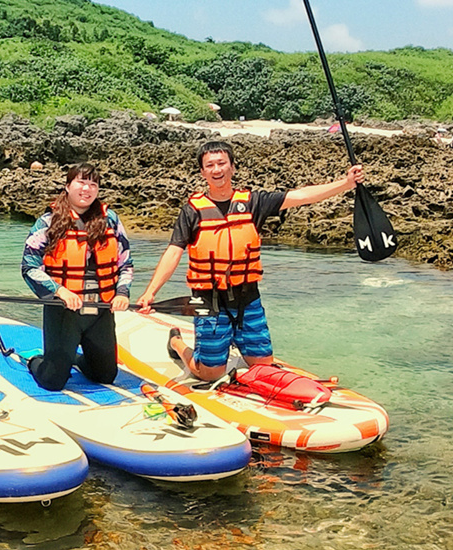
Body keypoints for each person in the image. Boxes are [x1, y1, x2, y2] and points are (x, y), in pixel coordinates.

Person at [136, 140, 365, 381]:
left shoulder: (254, 202)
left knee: (263, 368)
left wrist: (346, 183)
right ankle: (176, 342)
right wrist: (150, 292)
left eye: (222, 163)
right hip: (209, 301)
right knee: (209, 374)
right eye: (210, 165)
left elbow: (301, 196)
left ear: (232, 167)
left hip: (248, 299)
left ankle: (234, 343)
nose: (217, 170)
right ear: (203, 172)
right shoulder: (192, 211)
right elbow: (174, 251)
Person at [21, 163, 133, 391]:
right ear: (67, 186)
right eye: (81, 182)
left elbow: (126, 262)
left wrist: (122, 293)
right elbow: (29, 266)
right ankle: (35, 360)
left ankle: (74, 358)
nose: (87, 189)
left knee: (105, 375)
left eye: (93, 184)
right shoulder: (47, 222)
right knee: (53, 381)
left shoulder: (110, 219)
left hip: (100, 309)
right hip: (63, 310)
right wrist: (59, 290)